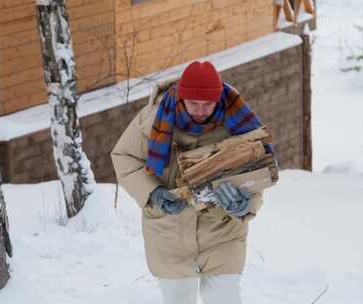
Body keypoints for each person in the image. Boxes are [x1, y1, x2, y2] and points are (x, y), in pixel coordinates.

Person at [111, 60, 276, 304]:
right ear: (181, 98)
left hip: (223, 231)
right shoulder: (153, 119)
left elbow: (255, 172)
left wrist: (247, 204)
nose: (200, 110)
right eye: (193, 103)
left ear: (218, 100)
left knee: (224, 299)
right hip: (169, 232)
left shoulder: (238, 122)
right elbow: (124, 157)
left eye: (207, 104)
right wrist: (153, 193)